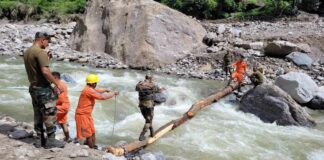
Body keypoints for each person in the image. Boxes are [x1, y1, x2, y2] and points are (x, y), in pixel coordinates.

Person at [23, 32, 65, 148]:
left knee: (38, 113)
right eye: (47, 41)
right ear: (42, 40)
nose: (48, 44)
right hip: (43, 89)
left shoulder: (28, 52)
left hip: (33, 87)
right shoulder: (40, 52)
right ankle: (51, 140)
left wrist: (47, 59)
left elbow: (36, 69)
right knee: (50, 112)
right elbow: (45, 72)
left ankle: (39, 139)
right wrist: (57, 84)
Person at [75, 74, 119, 149]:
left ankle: (93, 146)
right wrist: (113, 93)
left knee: (92, 132)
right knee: (88, 134)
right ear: (93, 83)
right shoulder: (88, 90)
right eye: (95, 83)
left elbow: (97, 91)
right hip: (82, 115)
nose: (96, 84)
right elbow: (102, 97)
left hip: (87, 115)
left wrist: (105, 90)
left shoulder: (88, 89)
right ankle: (92, 149)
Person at [136, 74, 165, 141]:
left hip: (141, 104)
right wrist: (162, 89)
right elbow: (158, 90)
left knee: (147, 119)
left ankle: (152, 132)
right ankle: (142, 135)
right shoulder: (152, 84)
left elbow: (136, 89)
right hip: (149, 105)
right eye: (152, 79)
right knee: (149, 121)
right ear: (150, 78)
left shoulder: (139, 84)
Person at [52, 72, 71, 142]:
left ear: (55, 78)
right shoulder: (62, 84)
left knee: (51, 119)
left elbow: (55, 97)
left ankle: (51, 137)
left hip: (61, 106)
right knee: (63, 124)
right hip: (65, 105)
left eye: (51, 78)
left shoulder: (58, 86)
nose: (50, 79)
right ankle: (68, 138)